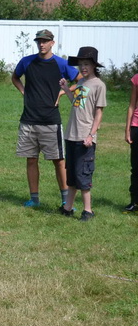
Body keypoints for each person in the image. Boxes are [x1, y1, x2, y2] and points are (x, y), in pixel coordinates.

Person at [11, 29, 81, 208]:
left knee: (59, 160)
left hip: (51, 120)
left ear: (52, 43)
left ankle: (65, 200)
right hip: (29, 119)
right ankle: (34, 199)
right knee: (31, 159)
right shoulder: (27, 61)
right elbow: (15, 77)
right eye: (39, 41)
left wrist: (63, 92)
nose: (41, 44)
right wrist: (23, 91)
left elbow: (81, 80)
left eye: (45, 41)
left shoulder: (61, 63)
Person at [58, 47, 106, 222]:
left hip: (85, 137)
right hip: (72, 134)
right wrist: (66, 89)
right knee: (71, 175)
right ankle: (67, 208)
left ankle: (88, 210)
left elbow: (99, 113)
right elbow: (76, 103)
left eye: (86, 64)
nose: (83, 67)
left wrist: (91, 135)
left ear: (94, 66)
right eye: (81, 64)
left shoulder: (99, 85)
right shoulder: (81, 83)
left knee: (83, 175)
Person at [124, 72, 138, 213]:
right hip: (136, 127)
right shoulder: (136, 78)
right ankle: (135, 201)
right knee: (136, 168)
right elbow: (131, 105)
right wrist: (127, 129)